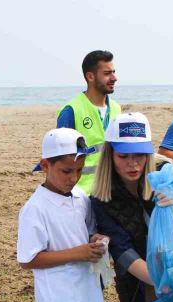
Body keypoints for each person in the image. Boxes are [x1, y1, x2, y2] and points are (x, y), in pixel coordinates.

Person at [17, 128, 109, 302]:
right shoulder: (36, 208)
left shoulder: (80, 197)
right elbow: (28, 259)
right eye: (66, 171)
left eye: (79, 170)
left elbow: (90, 231)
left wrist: (96, 241)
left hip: (87, 290)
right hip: (59, 298)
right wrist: (77, 253)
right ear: (45, 165)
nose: (73, 178)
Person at [91, 113, 173, 302]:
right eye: (123, 156)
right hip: (143, 280)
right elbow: (122, 250)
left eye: (139, 155)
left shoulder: (165, 174)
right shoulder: (102, 198)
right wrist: (169, 283)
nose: (132, 164)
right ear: (110, 155)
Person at [56, 50, 121, 194]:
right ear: (90, 76)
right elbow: (60, 162)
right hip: (82, 195)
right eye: (107, 73)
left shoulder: (116, 109)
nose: (114, 78)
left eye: (114, 72)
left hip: (112, 192)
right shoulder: (71, 111)